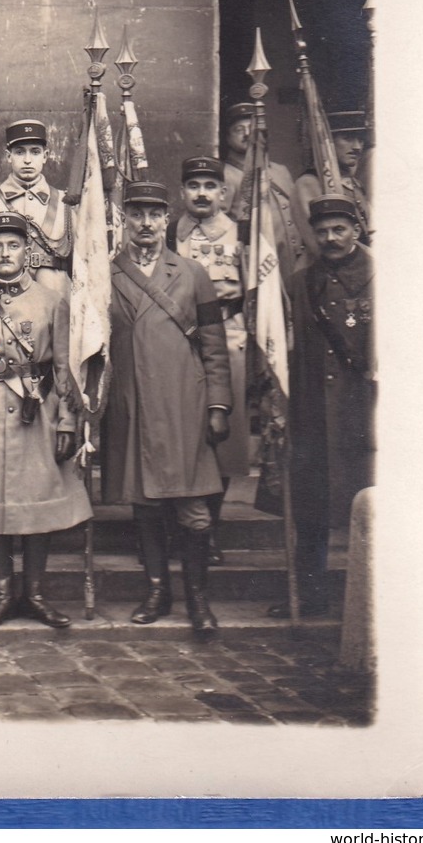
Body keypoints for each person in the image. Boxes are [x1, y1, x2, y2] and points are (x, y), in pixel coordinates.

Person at [103, 181, 233, 636]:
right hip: (134, 403)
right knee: (147, 506)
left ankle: (198, 598)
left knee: (193, 509)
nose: (145, 224)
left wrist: (218, 404)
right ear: (124, 220)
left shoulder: (192, 272)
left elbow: (214, 345)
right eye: (136, 214)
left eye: (154, 215)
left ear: (166, 220)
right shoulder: (106, 273)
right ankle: (157, 591)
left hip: (184, 405)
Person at [0, 211, 89, 629]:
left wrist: (68, 421)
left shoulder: (52, 301)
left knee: (37, 505)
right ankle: (2, 595)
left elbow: (65, 369)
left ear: (28, 251)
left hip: (40, 414)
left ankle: (34, 594)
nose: (4, 253)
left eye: (13, 245)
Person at [268, 194, 375, 618]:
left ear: (357, 230)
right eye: (322, 231)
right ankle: (310, 595)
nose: (330, 238)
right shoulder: (301, 282)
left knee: (366, 501)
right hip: (312, 410)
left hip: (362, 411)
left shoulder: (381, 276)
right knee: (311, 507)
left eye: (339, 229)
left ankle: (372, 598)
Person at [173, 155, 249, 564]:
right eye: (193, 185)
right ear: (182, 191)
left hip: (228, 335)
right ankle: (179, 529)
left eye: (209, 185)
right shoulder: (171, 233)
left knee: (220, 437)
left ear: (224, 192)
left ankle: (210, 530)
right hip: (180, 342)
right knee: (181, 435)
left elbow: (254, 293)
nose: (201, 193)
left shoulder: (241, 235)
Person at [0, 119, 73, 296]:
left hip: (57, 296)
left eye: (35, 152)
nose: (27, 160)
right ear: (8, 156)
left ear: (45, 156)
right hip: (6, 297)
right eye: (19, 152)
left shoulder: (65, 201)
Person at [220, 101, 310, 271]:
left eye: (252, 128)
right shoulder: (225, 175)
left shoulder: (280, 170)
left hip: (295, 259)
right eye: (239, 130)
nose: (248, 134)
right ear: (227, 138)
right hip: (259, 264)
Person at [294, 110, 373, 249]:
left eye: (360, 139)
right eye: (348, 138)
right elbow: (322, 245)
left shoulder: (354, 183)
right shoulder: (310, 183)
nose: (357, 147)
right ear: (328, 143)